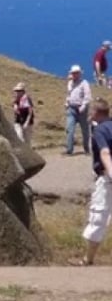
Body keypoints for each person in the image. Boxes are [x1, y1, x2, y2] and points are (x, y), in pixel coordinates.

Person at [74, 98, 112, 266]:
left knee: (98, 216)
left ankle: (88, 259)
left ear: (97, 113)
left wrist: (111, 173)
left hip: (107, 179)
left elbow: (104, 153)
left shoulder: (100, 131)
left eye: (91, 111)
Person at [65, 64, 92, 155]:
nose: (74, 75)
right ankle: (69, 150)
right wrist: (67, 102)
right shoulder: (70, 83)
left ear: (80, 74)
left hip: (82, 110)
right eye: (73, 73)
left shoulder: (84, 83)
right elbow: (69, 94)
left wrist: (83, 106)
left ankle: (86, 149)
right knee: (69, 129)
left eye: (76, 73)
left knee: (85, 130)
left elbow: (87, 97)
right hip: (71, 108)